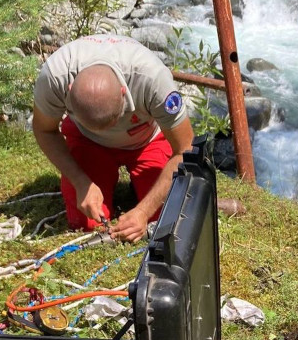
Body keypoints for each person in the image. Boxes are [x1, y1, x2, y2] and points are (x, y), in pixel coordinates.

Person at [32, 34, 194, 243]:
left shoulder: (153, 79)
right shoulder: (55, 75)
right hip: (87, 141)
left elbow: (185, 149)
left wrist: (144, 211)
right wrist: (81, 182)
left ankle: (139, 189)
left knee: (163, 219)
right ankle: (115, 184)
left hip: (147, 140)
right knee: (87, 224)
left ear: (124, 91)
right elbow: (45, 130)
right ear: (69, 90)